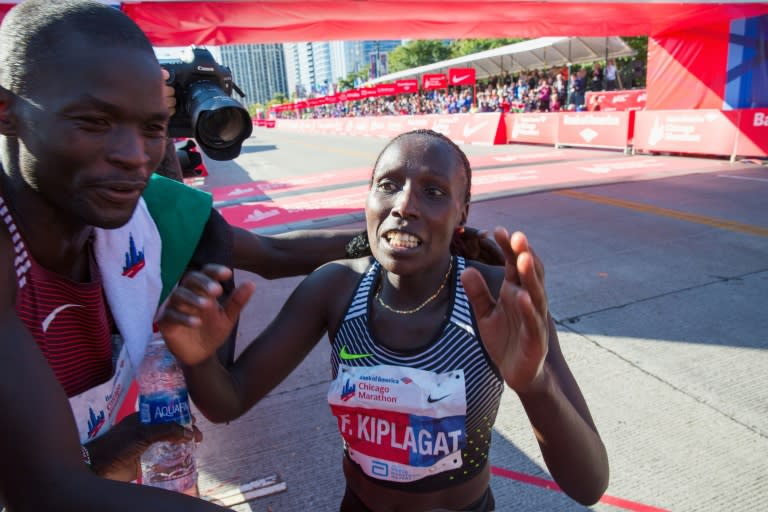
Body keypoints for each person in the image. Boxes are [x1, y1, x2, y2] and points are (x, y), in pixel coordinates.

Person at [0, 3, 504, 510]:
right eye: (93, 121)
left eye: (153, 128)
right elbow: (44, 489)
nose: (133, 154)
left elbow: (268, 252)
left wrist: (405, 239)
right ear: (6, 111)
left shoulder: (145, 209)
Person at [159, 129, 610, 511]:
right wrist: (199, 359)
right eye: (388, 185)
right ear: (369, 198)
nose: (405, 204)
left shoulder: (496, 300)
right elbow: (226, 401)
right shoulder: (333, 288)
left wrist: (535, 385)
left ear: (462, 213)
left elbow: (588, 485)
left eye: (433, 191)